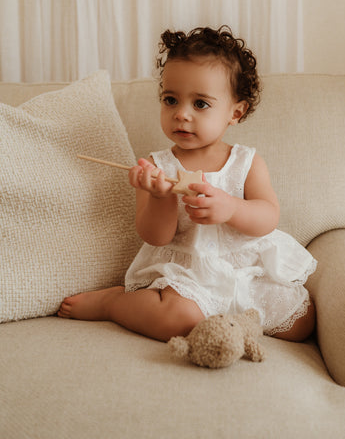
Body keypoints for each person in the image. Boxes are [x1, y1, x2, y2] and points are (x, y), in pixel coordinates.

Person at [58, 26, 317, 342]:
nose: (181, 114)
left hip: (245, 268)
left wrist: (230, 208)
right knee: (178, 319)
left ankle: (230, 324)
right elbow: (155, 236)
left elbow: (268, 217)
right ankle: (114, 303)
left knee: (301, 322)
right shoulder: (156, 167)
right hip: (189, 274)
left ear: (236, 112)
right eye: (170, 100)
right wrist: (160, 198)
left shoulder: (247, 163)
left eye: (200, 104)